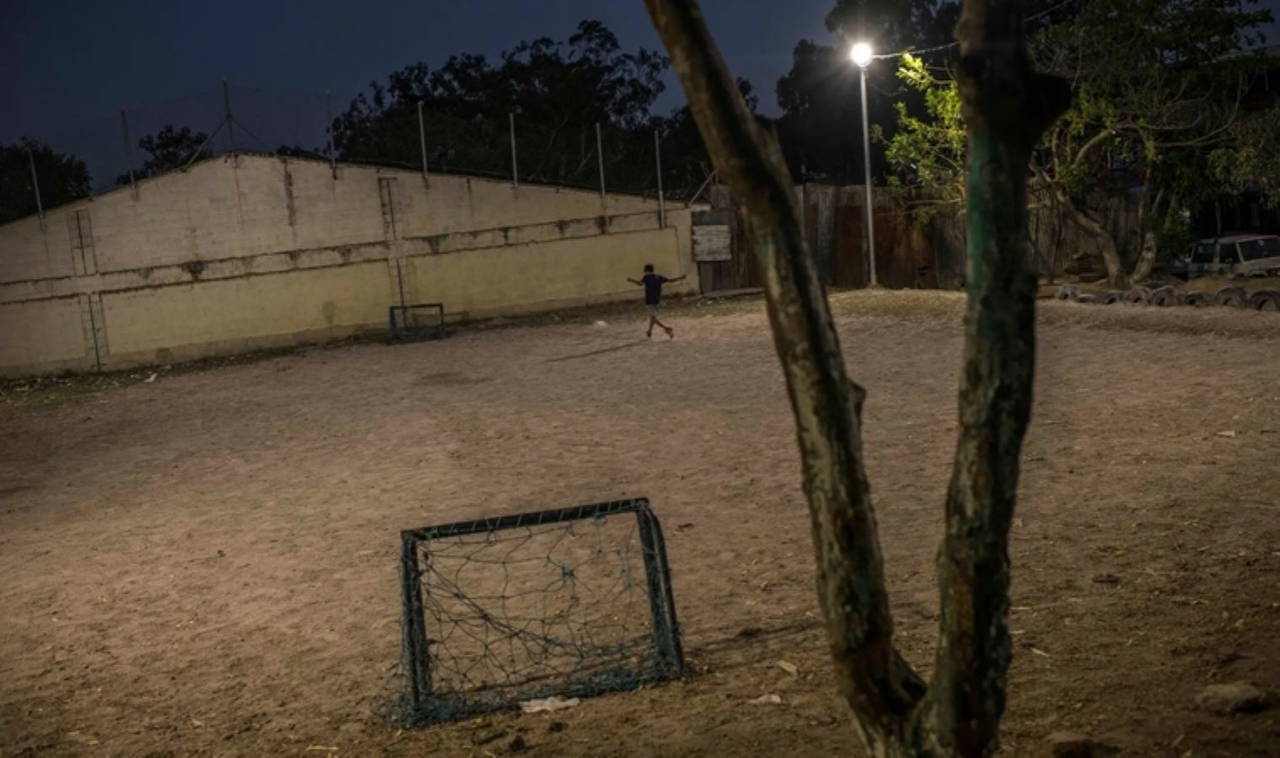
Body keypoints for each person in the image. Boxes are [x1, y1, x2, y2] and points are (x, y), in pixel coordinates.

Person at [627, 264, 685, 339]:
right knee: (652, 317)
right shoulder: (659, 277)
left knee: (653, 318)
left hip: (649, 301)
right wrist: (681, 278)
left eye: (645, 271)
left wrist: (631, 280)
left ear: (647, 271)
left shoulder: (646, 277)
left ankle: (667, 328)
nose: (645, 273)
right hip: (657, 300)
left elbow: (640, 284)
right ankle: (649, 331)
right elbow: (670, 280)